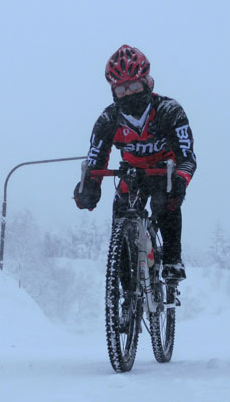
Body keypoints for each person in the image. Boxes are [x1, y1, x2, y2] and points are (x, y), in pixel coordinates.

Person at [73, 44, 197, 285]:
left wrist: (181, 179)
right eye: (121, 90)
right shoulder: (108, 119)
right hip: (131, 174)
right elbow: (96, 157)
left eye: (133, 86)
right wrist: (90, 186)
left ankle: (172, 260)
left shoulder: (169, 111)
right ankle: (126, 297)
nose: (128, 94)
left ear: (147, 83)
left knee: (166, 202)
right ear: (113, 91)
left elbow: (187, 157)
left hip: (164, 172)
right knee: (120, 218)